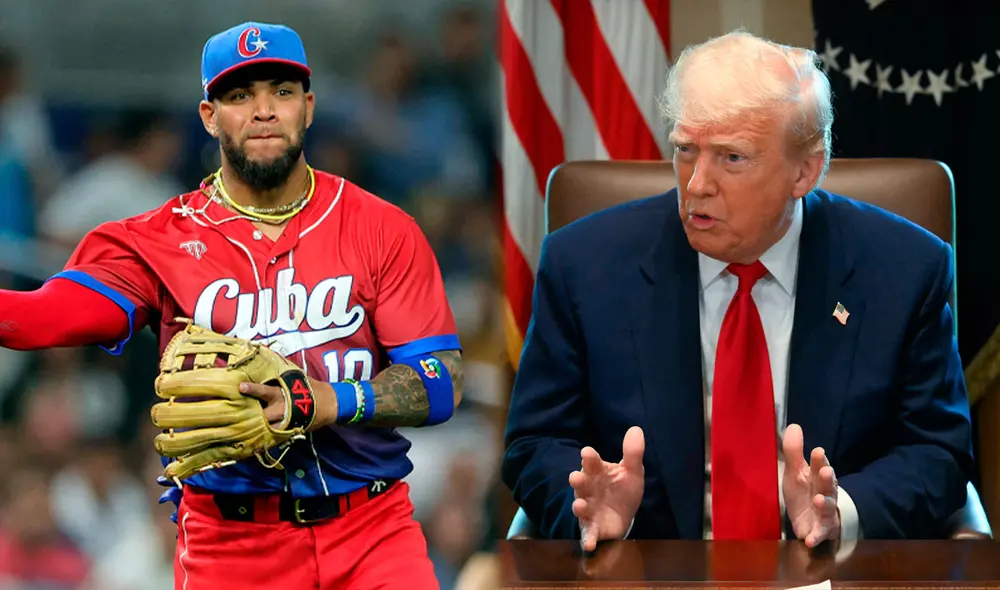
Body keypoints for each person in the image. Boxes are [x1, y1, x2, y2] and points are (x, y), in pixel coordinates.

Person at [0, 21, 462, 589]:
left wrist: (328, 400)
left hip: (371, 530)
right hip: (231, 546)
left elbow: (441, 382)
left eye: (282, 92)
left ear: (309, 107)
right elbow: (43, 315)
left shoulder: (381, 229)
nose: (263, 111)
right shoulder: (158, 241)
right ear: (209, 116)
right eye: (240, 95)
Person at [500, 31, 974, 552]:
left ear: (806, 170)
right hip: (654, 570)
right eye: (685, 150)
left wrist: (841, 510)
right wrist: (592, 508)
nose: (697, 184)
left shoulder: (904, 270)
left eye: (732, 158)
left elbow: (938, 454)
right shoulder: (583, 265)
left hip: (822, 572)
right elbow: (534, 443)